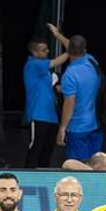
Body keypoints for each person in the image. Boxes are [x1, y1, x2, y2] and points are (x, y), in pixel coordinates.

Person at [57, 35, 103, 166]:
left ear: (69, 51)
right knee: (96, 165)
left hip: (78, 128)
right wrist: (57, 35)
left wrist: (62, 128)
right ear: (85, 49)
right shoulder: (92, 61)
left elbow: (69, 104)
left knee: (79, 167)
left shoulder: (69, 74)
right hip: (96, 124)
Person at [23, 37, 65, 168]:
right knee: (35, 149)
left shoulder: (46, 71)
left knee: (47, 152)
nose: (47, 51)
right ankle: (28, 176)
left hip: (52, 116)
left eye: (47, 49)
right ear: (34, 52)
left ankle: (44, 176)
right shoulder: (33, 64)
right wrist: (72, 50)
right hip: (38, 114)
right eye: (43, 50)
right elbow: (57, 61)